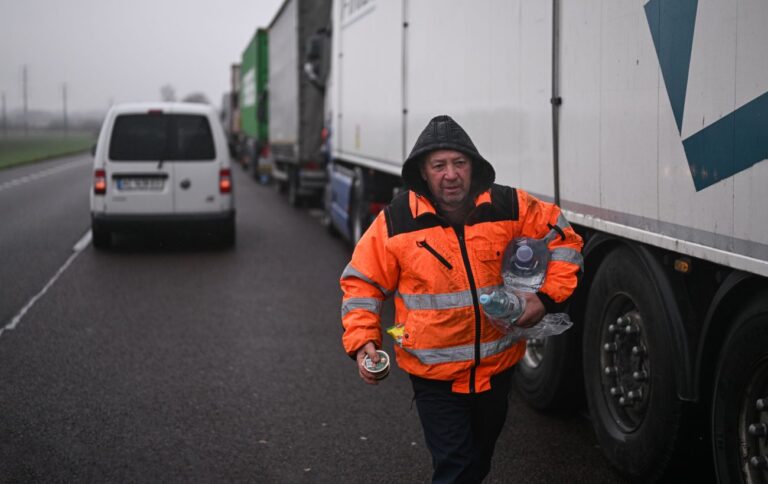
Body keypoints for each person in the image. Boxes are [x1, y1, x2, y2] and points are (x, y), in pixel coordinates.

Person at [339, 115, 583, 483]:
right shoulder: (397, 221)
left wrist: (545, 299)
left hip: (497, 370)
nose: (450, 174)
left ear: (473, 166)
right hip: (433, 378)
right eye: (439, 166)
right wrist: (364, 343)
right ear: (423, 172)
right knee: (455, 468)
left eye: (459, 163)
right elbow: (362, 284)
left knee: (477, 462)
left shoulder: (509, 206)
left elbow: (563, 238)